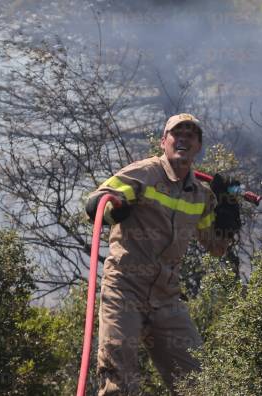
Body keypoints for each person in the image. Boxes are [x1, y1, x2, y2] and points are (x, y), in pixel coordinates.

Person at [85, 113, 241, 395]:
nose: (183, 138)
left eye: (190, 135)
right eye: (176, 133)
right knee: (119, 383)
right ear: (163, 142)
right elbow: (98, 202)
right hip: (125, 292)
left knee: (200, 385)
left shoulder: (200, 195)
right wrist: (113, 208)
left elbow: (215, 247)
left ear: (198, 146)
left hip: (167, 299)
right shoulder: (143, 174)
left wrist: (228, 210)